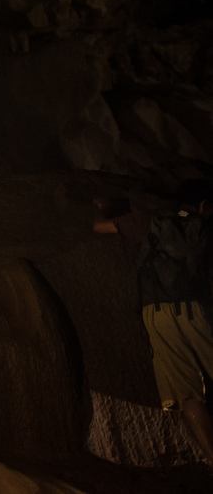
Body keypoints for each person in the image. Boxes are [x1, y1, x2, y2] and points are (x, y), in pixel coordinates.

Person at [93, 179, 213, 463]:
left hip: (158, 312)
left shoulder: (150, 221)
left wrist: (100, 208)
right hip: (199, 310)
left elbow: (98, 227)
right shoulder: (205, 227)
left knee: (187, 395)